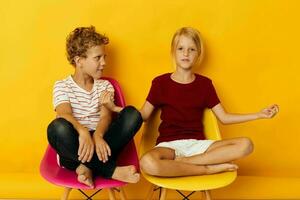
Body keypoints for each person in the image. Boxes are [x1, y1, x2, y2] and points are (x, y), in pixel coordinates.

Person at [101, 27, 279, 177]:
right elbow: (143, 115)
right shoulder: (160, 83)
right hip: (169, 147)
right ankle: (206, 169)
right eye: (181, 48)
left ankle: (187, 163)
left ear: (198, 54)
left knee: (246, 144)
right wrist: (115, 108)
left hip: (199, 146)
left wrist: (259, 114)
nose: (186, 53)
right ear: (173, 52)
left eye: (191, 49)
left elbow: (224, 117)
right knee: (147, 163)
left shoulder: (205, 84)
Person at [47, 26, 143, 187]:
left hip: (103, 142)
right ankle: (112, 171)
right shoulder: (62, 86)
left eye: (104, 57)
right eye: (97, 58)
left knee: (133, 114)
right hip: (75, 143)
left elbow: (106, 116)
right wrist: (82, 131)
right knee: (57, 128)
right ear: (79, 61)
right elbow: (64, 114)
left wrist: (97, 136)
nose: (104, 63)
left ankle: (85, 168)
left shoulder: (104, 86)